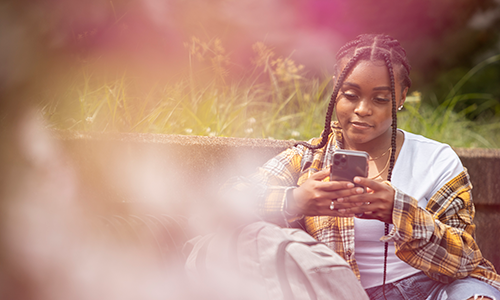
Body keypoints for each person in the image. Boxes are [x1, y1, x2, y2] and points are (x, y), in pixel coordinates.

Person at [243, 34, 500, 300]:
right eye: (351, 95)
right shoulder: (308, 158)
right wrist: (295, 200)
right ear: (336, 90)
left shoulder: (436, 159)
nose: (362, 109)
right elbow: (232, 198)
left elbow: (464, 259)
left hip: (430, 288)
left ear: (401, 97)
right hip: (341, 293)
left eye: (380, 99)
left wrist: (399, 211)